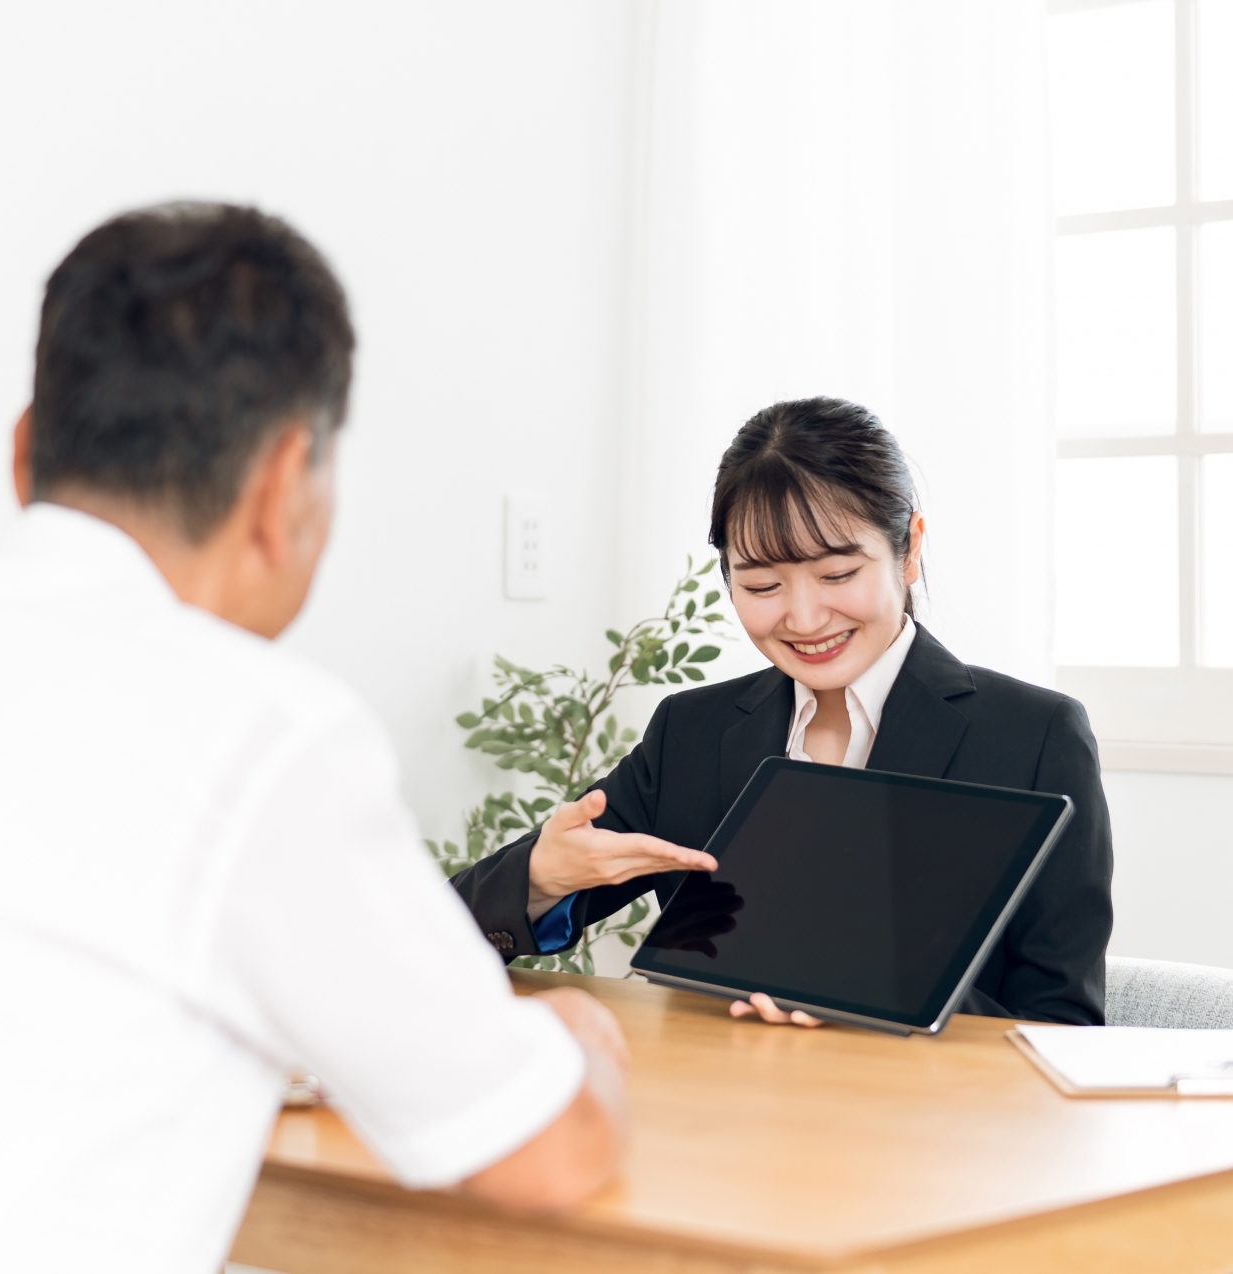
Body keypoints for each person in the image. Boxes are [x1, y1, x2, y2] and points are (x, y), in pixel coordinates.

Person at [0, 203, 628, 1274]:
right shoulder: (260, 732)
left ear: (21, 451)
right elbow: (545, 1155)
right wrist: (579, 1044)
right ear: (285, 486)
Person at [450, 397, 1113, 1026]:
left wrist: (882, 986)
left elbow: (1061, 1025)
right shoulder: (692, 734)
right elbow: (437, 930)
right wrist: (537, 881)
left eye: (836, 576)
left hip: (934, 1131)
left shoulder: (1033, 739)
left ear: (909, 550)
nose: (802, 618)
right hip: (723, 1118)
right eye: (762, 585)